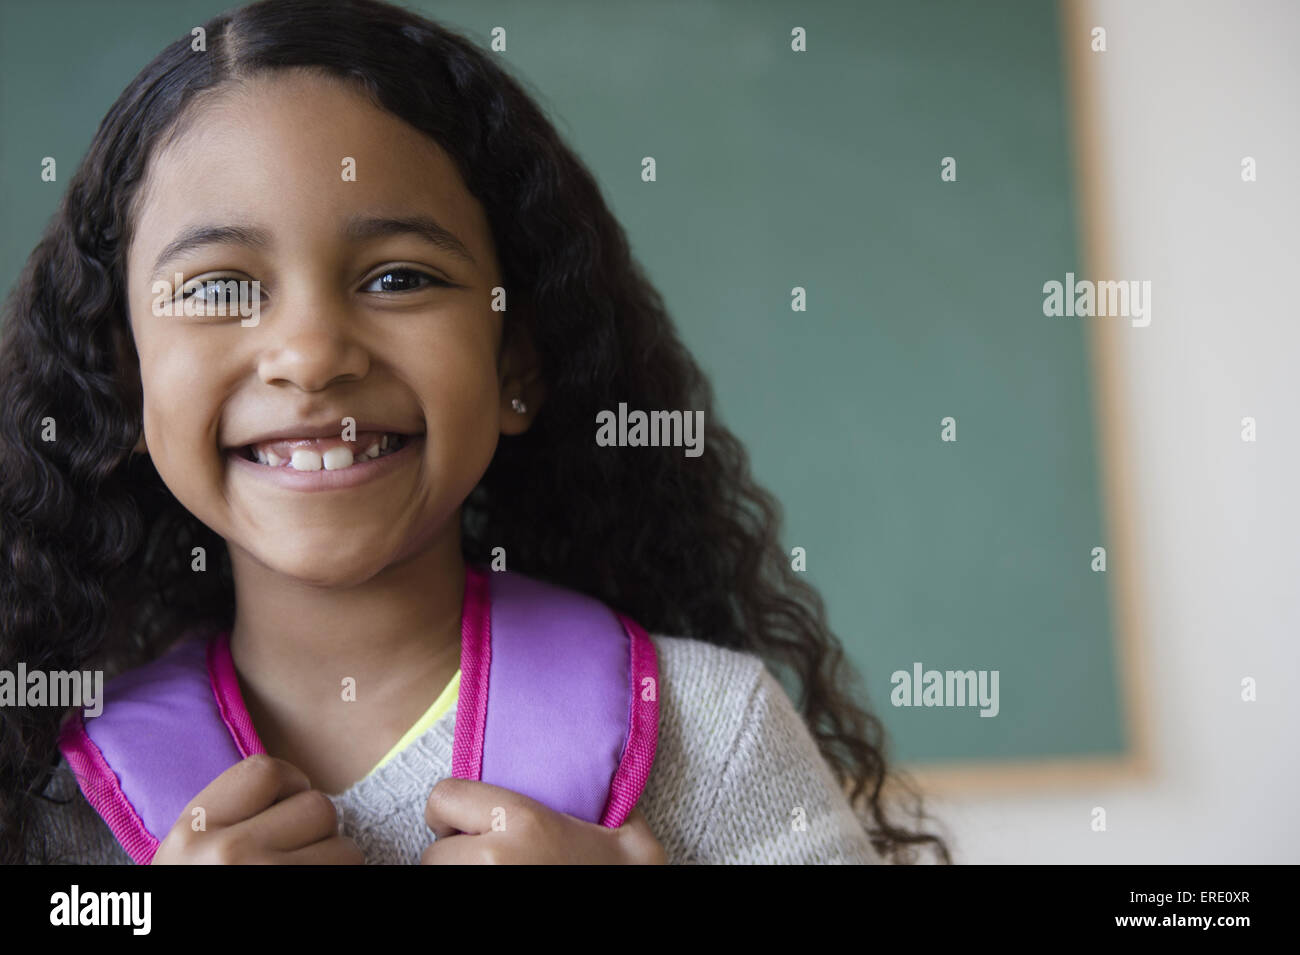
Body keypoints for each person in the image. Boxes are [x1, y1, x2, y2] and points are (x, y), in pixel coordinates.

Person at [0, 0, 950, 865]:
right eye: (218, 289)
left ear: (516, 364)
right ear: (119, 385)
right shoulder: (49, 794)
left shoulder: (716, 730)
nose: (312, 353)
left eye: (399, 276)